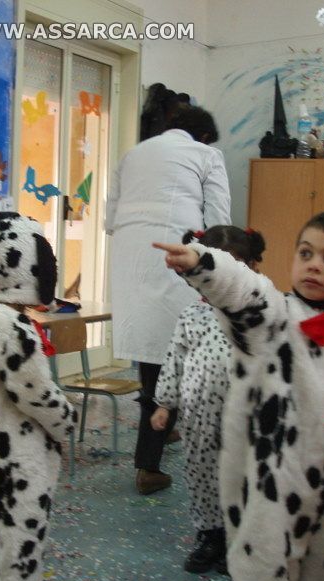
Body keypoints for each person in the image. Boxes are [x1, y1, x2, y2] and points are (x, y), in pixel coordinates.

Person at [155, 211, 324, 581]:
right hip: (274, 484)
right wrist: (201, 263)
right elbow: (244, 289)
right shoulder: (276, 317)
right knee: (264, 577)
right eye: (306, 254)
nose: (314, 265)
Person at [106, 105, 232, 495]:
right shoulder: (207, 154)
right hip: (176, 253)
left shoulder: (133, 154)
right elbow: (219, 224)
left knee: (150, 350)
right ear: (205, 136)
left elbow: (109, 220)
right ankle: (148, 465)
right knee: (175, 354)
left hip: (130, 257)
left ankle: (164, 430)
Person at [0, 212, 77, 581]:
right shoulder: (11, 327)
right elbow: (36, 394)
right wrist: (67, 419)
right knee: (17, 552)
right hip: (17, 462)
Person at [151, 225, 266, 575]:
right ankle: (211, 535)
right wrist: (164, 404)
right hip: (198, 420)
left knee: (244, 477)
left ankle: (240, 542)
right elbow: (175, 359)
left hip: (246, 421)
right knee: (201, 475)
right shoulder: (192, 315)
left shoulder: (257, 313)